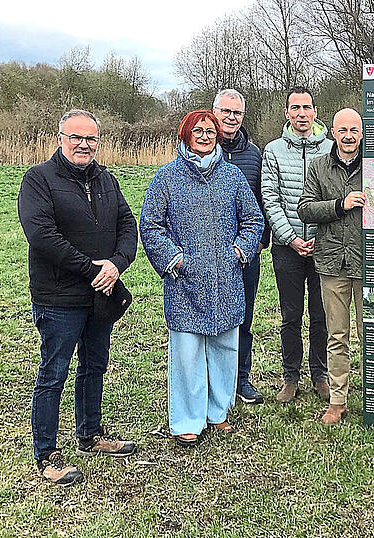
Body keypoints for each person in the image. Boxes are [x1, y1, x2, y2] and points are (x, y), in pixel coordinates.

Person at [18, 109, 138, 486]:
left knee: (94, 366)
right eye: (76, 137)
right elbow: (42, 236)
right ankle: (47, 453)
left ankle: (90, 435)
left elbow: (127, 225)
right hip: (59, 297)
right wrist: (92, 270)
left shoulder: (107, 180)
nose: (84, 144)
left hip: (101, 294)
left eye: (91, 138)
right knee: (54, 373)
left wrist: (117, 264)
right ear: (60, 139)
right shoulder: (39, 179)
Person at [139, 110, 263, 446]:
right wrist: (176, 260)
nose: (205, 136)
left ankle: (218, 411)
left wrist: (239, 252)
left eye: (210, 131)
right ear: (186, 135)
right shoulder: (167, 177)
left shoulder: (232, 176)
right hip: (185, 282)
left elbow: (253, 220)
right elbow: (150, 225)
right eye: (198, 131)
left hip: (226, 279)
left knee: (225, 348)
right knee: (188, 353)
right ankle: (187, 419)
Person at [261, 86, 332, 403]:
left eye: (306, 107)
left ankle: (320, 374)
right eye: (295, 108)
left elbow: (336, 196)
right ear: (287, 113)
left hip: (324, 246)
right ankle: (290, 376)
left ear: (315, 111)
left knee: (321, 315)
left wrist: (320, 235)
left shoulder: (331, 149)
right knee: (291, 316)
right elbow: (270, 198)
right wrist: (291, 238)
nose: (301, 113)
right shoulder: (273, 150)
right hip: (286, 248)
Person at [297, 108, 365, 425]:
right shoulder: (319, 166)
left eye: (354, 130)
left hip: (368, 262)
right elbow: (305, 208)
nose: (348, 136)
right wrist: (341, 205)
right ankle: (338, 401)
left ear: (362, 133)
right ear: (333, 133)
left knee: (372, 334)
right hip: (331, 263)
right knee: (337, 335)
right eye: (343, 130)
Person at [213, 88, 270, 405]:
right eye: (226, 111)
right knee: (211, 316)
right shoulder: (200, 150)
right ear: (215, 112)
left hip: (246, 253)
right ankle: (212, 379)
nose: (231, 118)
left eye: (236, 113)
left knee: (244, 318)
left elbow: (263, 200)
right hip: (209, 253)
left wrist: (261, 241)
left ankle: (241, 378)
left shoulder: (254, 155)